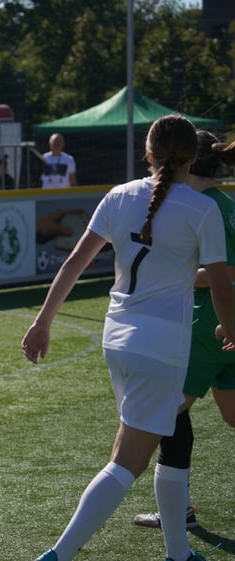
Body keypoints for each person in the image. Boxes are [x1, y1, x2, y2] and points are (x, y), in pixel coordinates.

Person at [21, 115, 235, 561]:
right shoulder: (203, 209)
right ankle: (57, 555)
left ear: (148, 152)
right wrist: (232, 332)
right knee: (125, 464)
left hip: (117, 339)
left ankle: (180, 553)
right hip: (161, 348)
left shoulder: (120, 195)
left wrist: (43, 322)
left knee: (175, 433)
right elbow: (221, 287)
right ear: (192, 157)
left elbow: (73, 264)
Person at [130, 130, 235, 531]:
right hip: (225, 327)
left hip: (210, 328)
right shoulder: (223, 203)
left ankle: (180, 510)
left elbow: (226, 273)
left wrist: (175, 274)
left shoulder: (202, 206)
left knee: (165, 414)